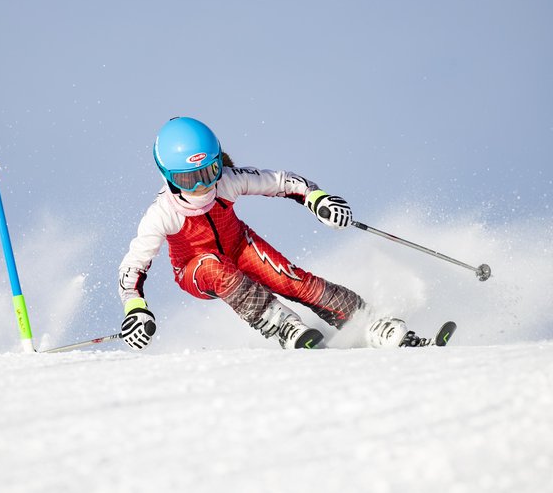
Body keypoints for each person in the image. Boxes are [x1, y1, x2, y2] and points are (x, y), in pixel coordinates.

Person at [117, 116, 429, 350]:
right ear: (168, 177)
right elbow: (132, 270)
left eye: (208, 173)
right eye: (189, 180)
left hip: (239, 245)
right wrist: (137, 310)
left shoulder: (229, 180)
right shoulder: (162, 213)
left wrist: (317, 200)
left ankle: (369, 321)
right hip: (195, 269)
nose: (202, 187)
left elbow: (283, 181)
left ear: (218, 165)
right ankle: (282, 324)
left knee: (294, 281)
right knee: (218, 270)